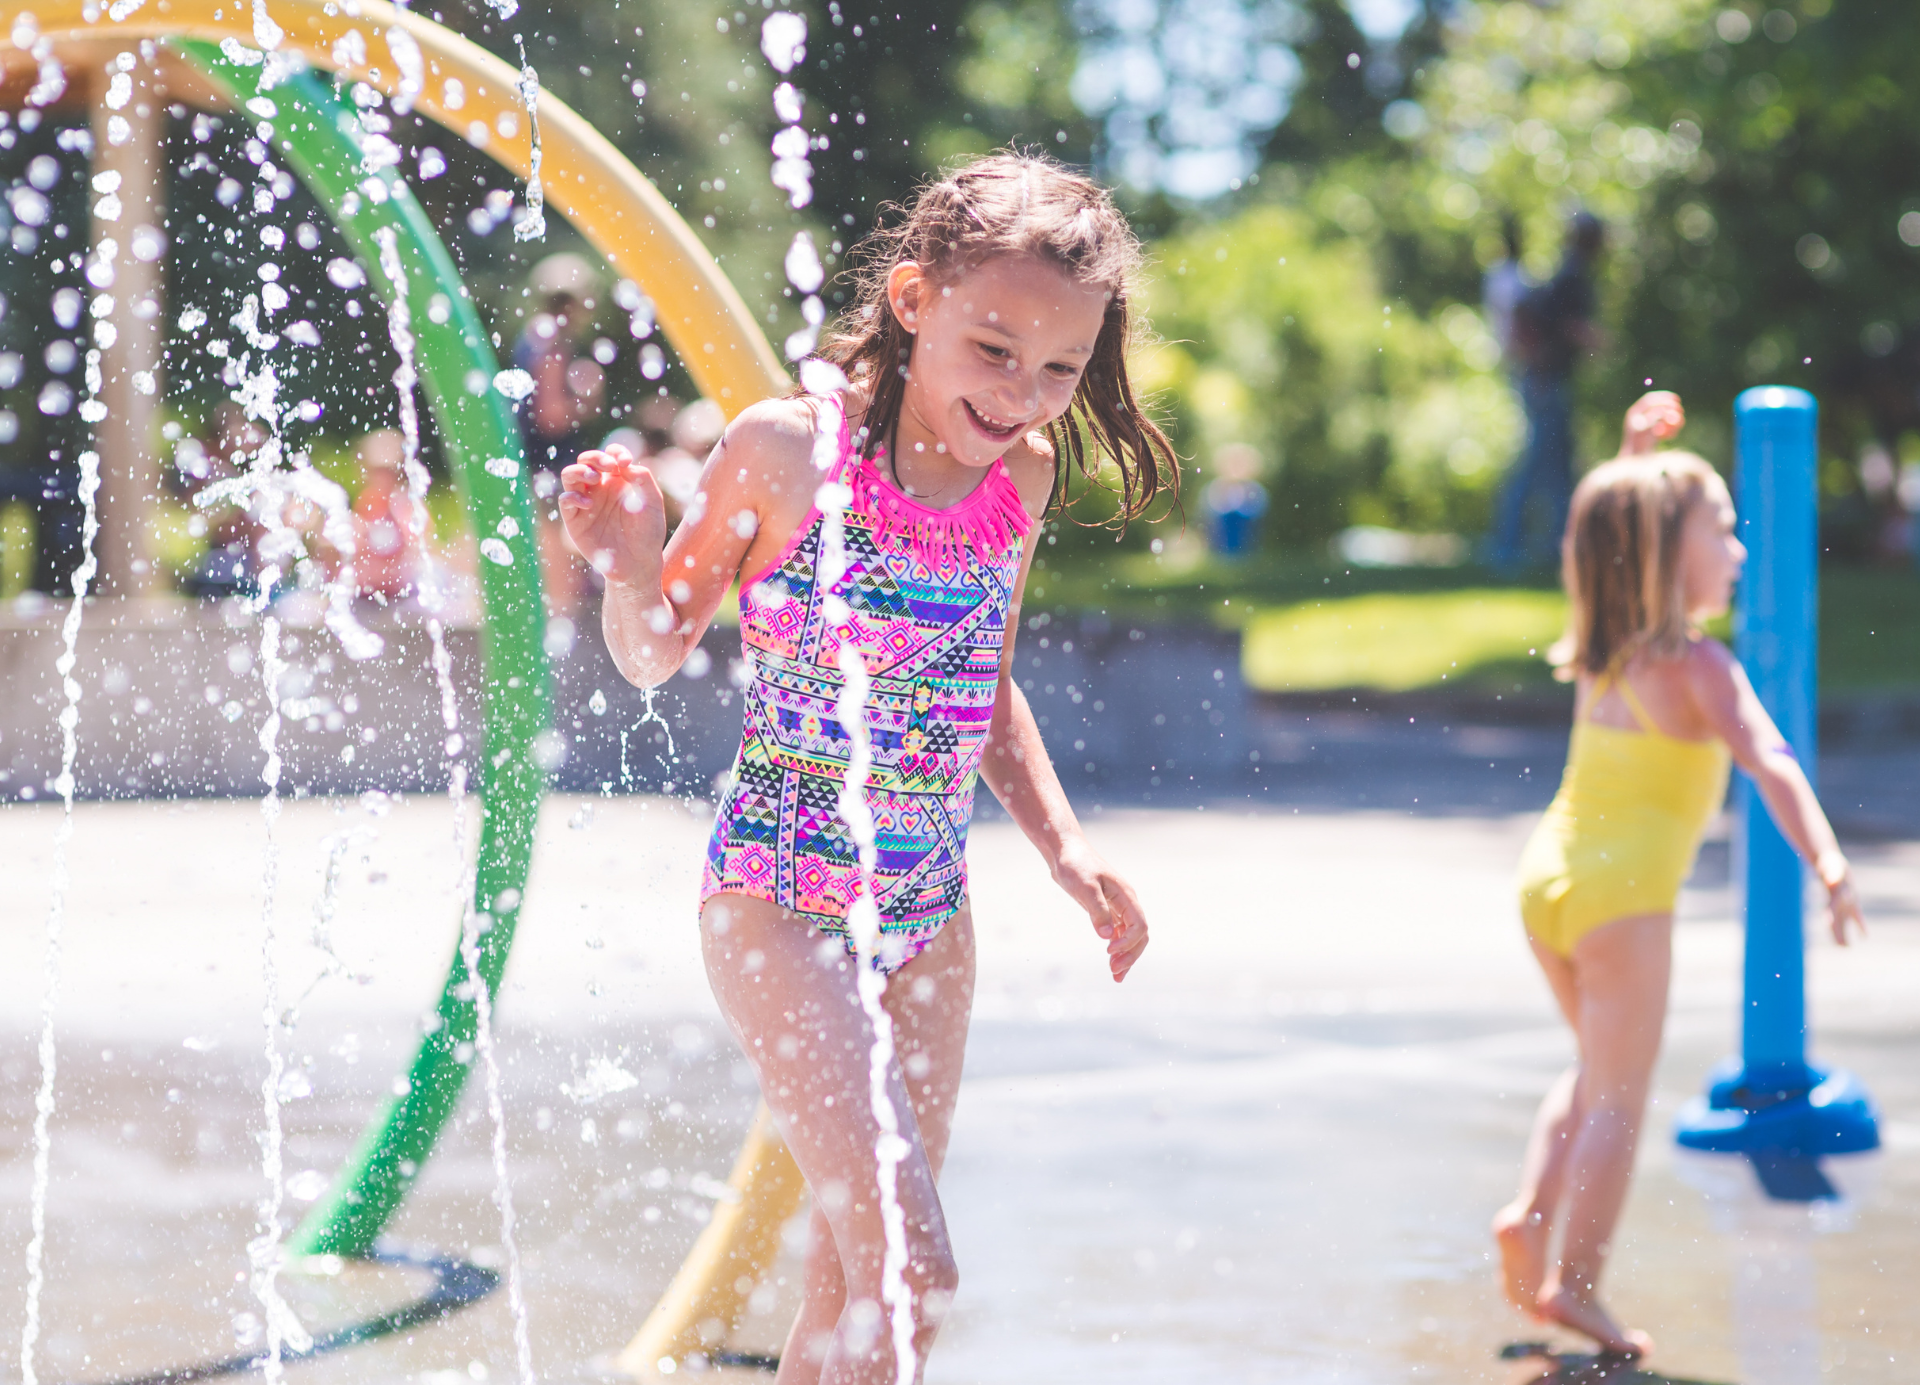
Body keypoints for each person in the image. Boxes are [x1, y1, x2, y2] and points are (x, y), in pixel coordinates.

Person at [560, 151, 1174, 1384]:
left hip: (929, 909)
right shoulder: (786, 452)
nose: (1024, 395)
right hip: (777, 896)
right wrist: (628, 565)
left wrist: (1066, 849)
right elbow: (650, 653)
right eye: (994, 351)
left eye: (1060, 368)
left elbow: (980, 685)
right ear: (912, 303)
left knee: (855, 1301)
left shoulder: (1024, 475)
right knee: (914, 1264)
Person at [1491, 391, 1867, 1361]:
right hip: (1622, 907)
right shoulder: (1699, 667)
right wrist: (1827, 858)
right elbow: (1773, 760)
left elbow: (1593, 536)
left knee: (1591, 1072)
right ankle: (1576, 1286)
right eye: (1723, 530)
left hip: (1549, 884)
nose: (1739, 549)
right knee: (1619, 1096)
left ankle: (1531, 1213)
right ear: (1668, 555)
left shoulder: (1605, 641)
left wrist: (1625, 459)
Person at [1491, 210, 1605, 571]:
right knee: (1537, 463)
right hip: (1545, 381)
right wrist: (1594, 340)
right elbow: (1562, 324)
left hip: (1547, 380)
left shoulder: (1565, 274)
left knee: (1557, 466)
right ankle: (1506, 548)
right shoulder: (1571, 277)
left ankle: (1557, 547)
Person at [515, 252, 606, 615]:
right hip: (547, 458)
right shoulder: (552, 342)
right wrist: (588, 399)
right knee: (558, 541)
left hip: (529, 455)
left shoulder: (533, 334)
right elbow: (551, 416)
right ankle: (562, 626)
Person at [350, 428, 434, 603]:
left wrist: (395, 515)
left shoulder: (410, 506)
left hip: (404, 595)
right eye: (377, 471)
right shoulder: (365, 503)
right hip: (370, 594)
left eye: (389, 470)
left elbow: (421, 551)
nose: (383, 477)